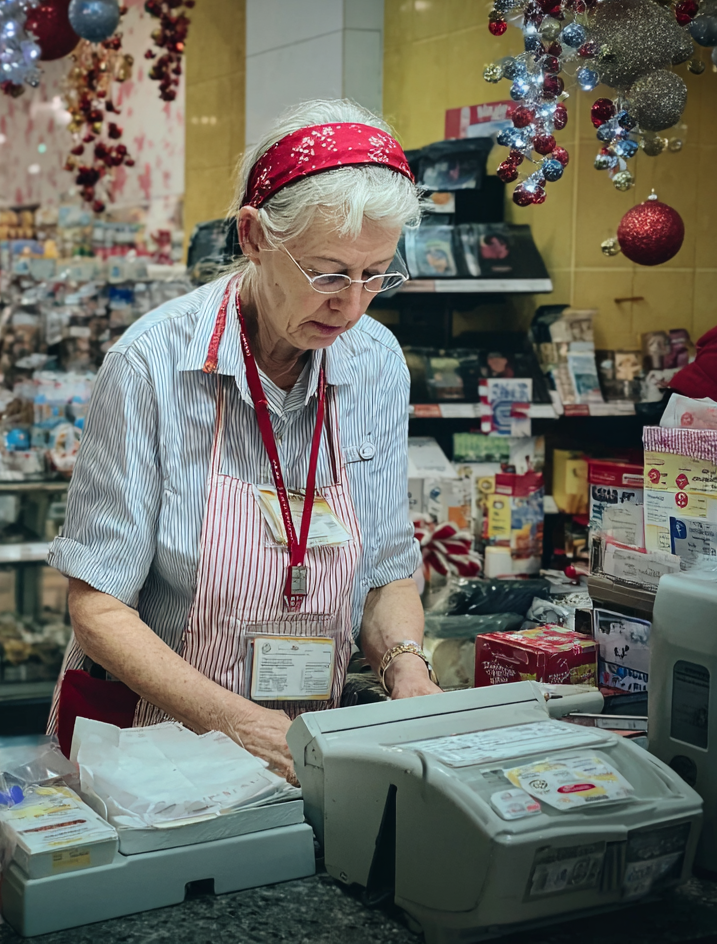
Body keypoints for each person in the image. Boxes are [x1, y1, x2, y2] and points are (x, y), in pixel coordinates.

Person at [47, 99, 441, 783]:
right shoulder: (152, 365)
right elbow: (98, 607)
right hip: (155, 750)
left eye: (376, 273)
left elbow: (386, 570)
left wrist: (409, 668)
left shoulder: (375, 363)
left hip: (309, 746)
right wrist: (236, 723)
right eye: (327, 273)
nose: (351, 305)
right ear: (255, 236)